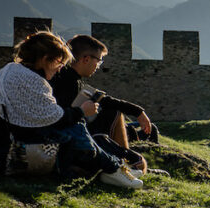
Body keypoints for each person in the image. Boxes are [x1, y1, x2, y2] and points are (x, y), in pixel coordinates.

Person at [0, 31, 142, 188]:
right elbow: (56, 118)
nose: (61, 68)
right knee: (75, 127)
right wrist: (82, 112)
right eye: (60, 62)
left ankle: (112, 168)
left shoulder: (14, 71)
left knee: (76, 127)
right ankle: (113, 168)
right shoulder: (30, 80)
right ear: (45, 59)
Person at [49, 35, 157, 173]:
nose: (98, 66)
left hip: (80, 138)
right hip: (74, 144)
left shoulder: (71, 78)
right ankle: (125, 167)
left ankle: (125, 164)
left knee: (114, 111)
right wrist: (82, 112)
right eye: (98, 61)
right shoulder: (67, 81)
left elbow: (105, 100)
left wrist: (138, 111)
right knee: (140, 163)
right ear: (86, 59)